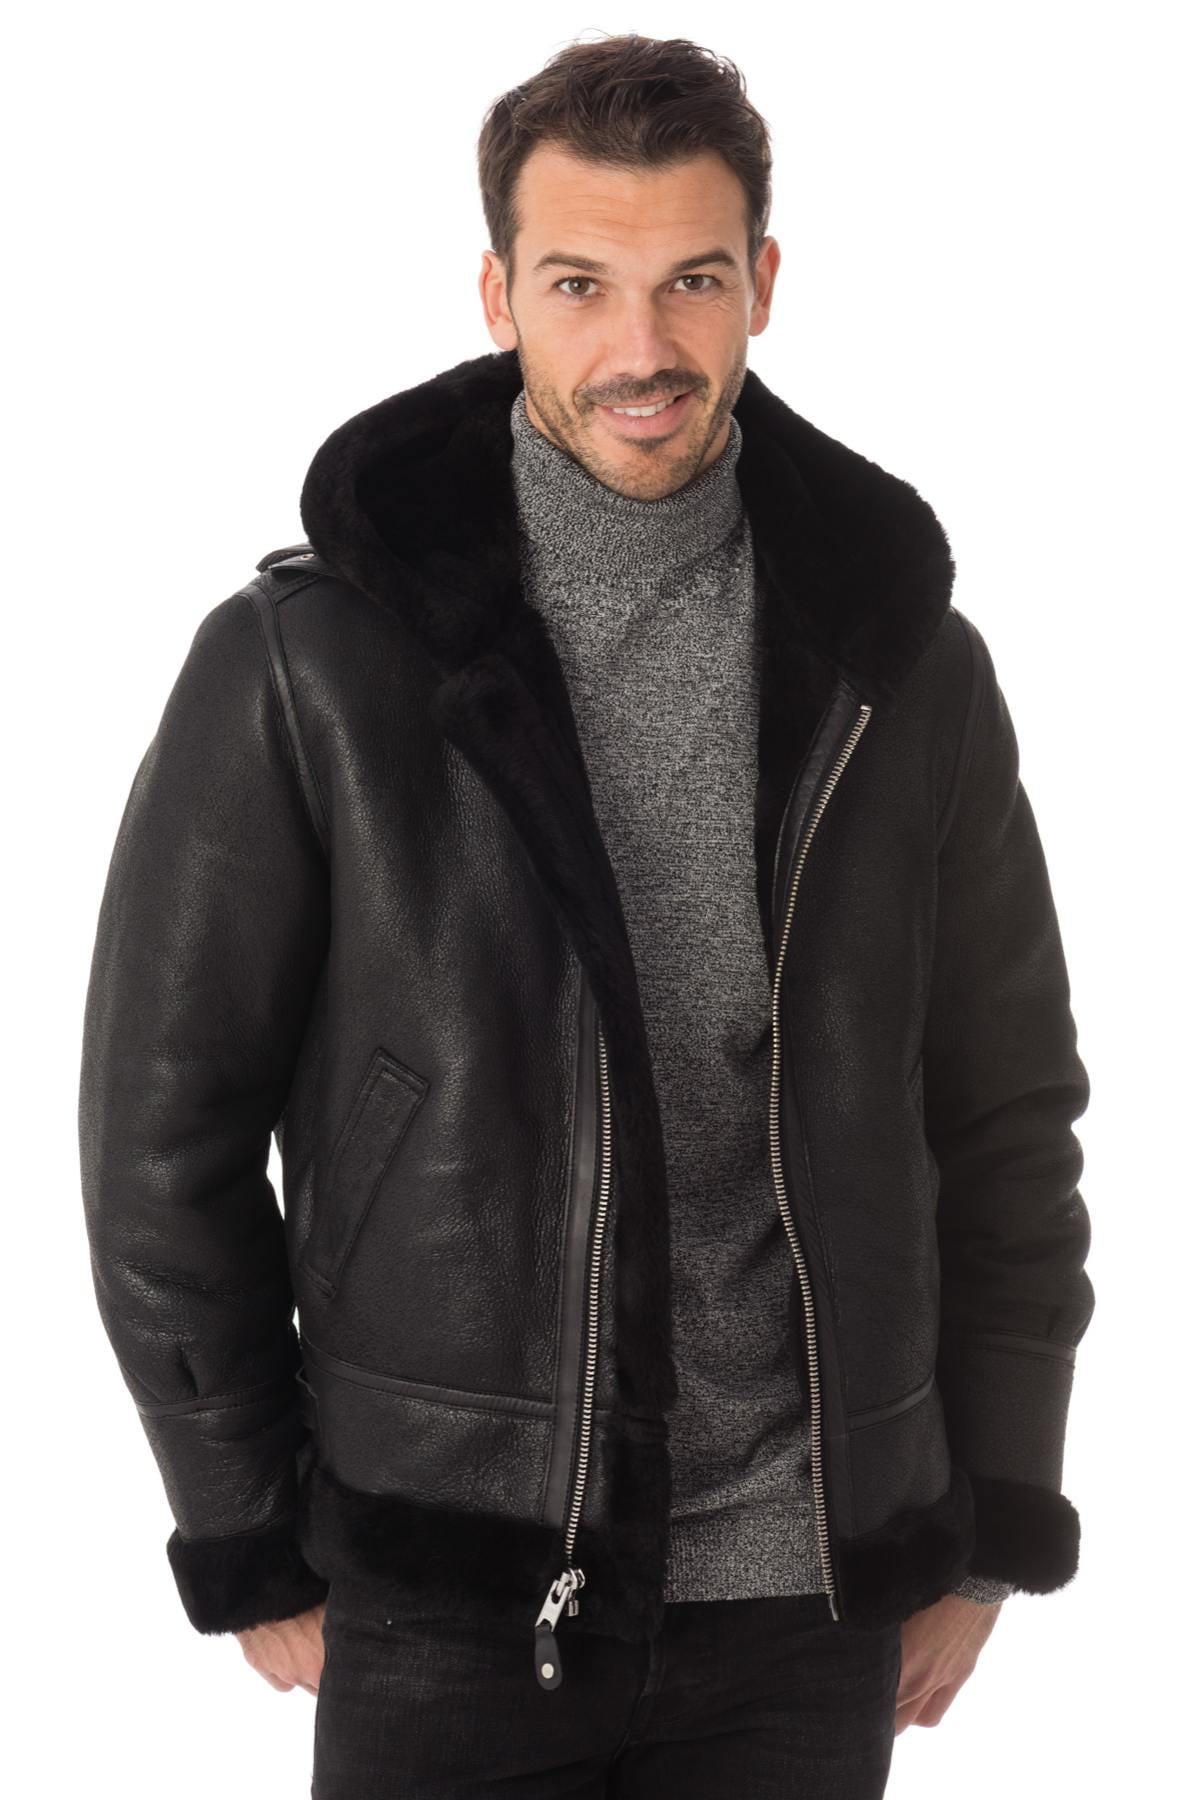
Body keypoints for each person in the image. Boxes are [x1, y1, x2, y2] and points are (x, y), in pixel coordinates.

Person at [77, 31, 1095, 1800]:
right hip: (446, 1578)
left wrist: (992, 1521)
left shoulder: (905, 669)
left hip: (806, 1598)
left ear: (763, 284)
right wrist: (242, 1523)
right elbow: (160, 1142)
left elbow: (1006, 1117)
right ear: (498, 296)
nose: (643, 347)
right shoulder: (306, 667)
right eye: (580, 285)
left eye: (692, 279)